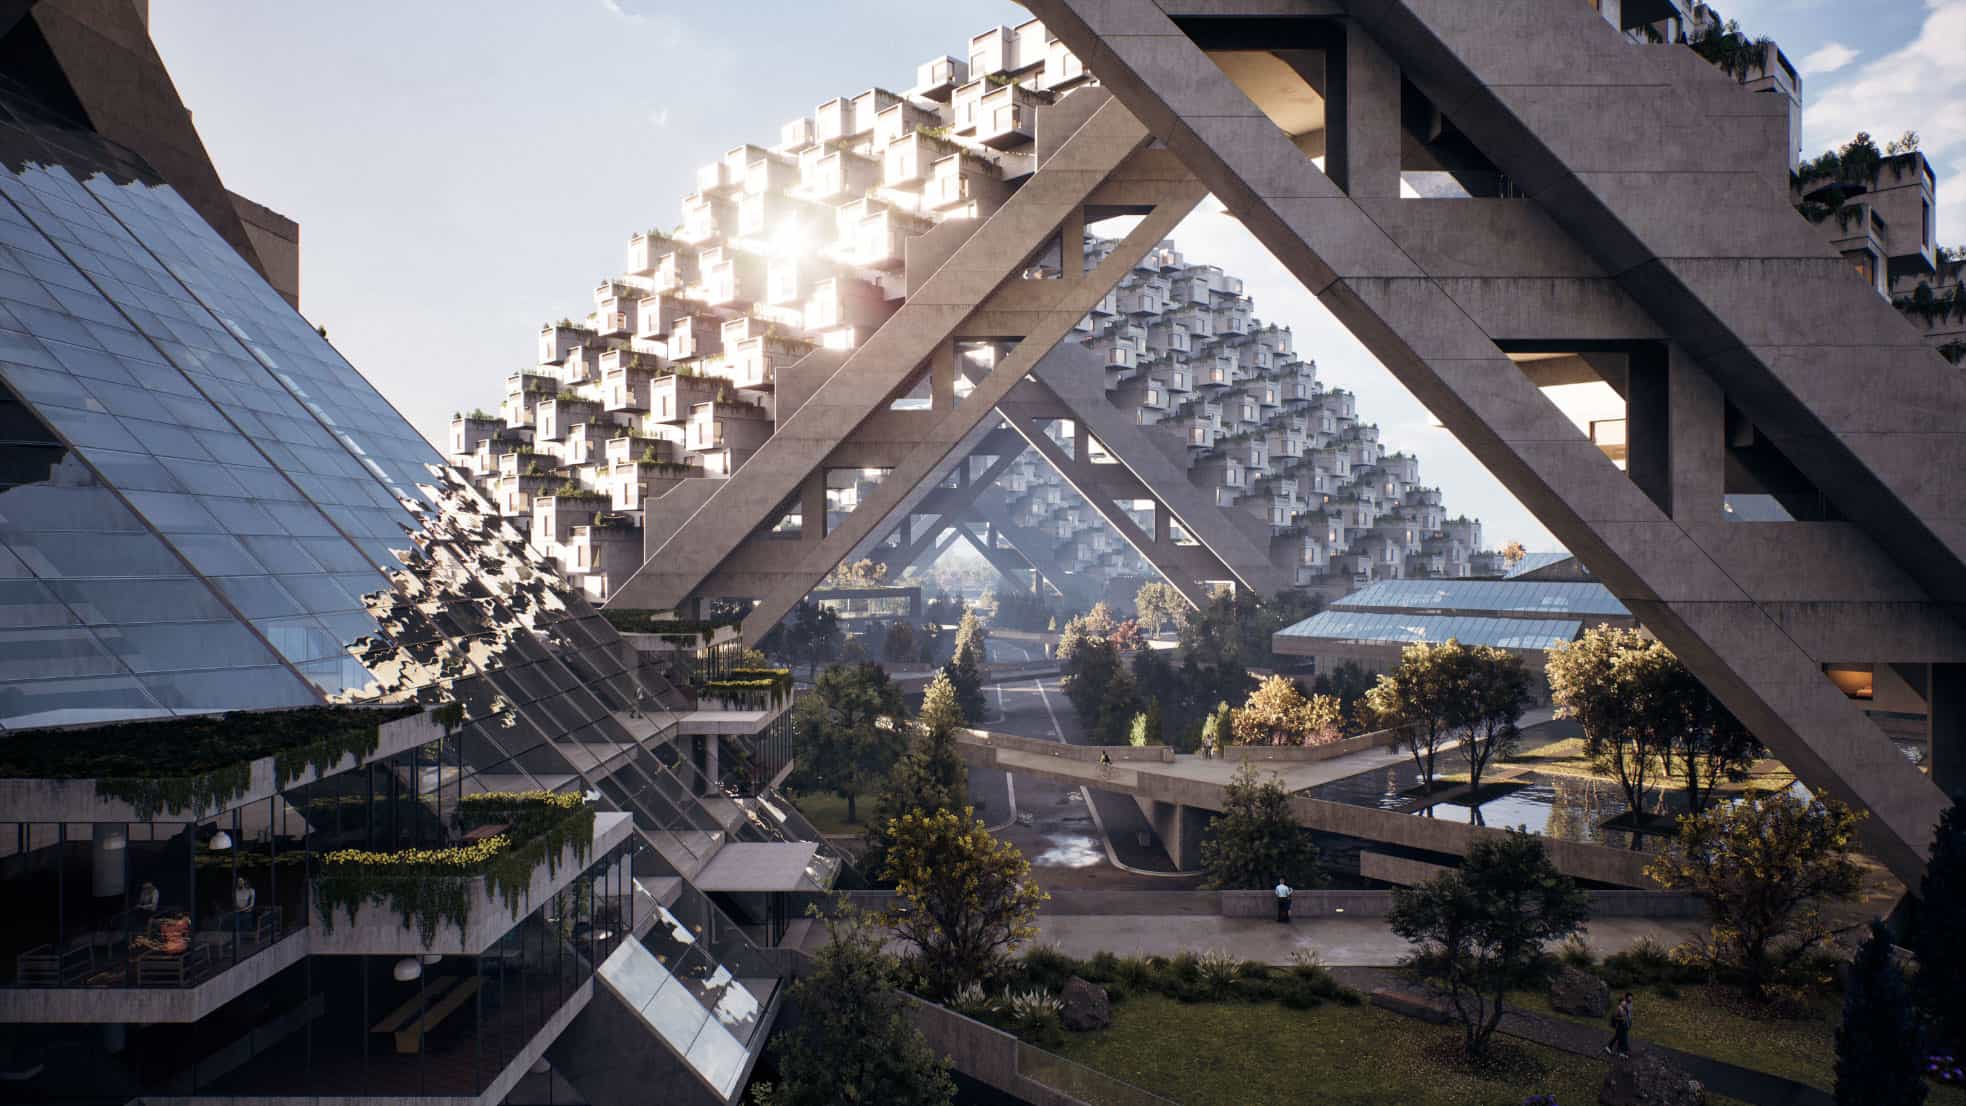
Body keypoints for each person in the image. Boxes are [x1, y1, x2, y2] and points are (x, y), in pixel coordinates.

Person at [1604, 992, 1633, 1057]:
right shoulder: (1619, 1009)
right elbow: (1615, 1017)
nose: (1625, 1003)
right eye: (1623, 1002)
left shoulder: (1624, 1008)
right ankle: (1621, 1052)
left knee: (1618, 1037)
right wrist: (1621, 1019)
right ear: (1621, 1002)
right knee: (1622, 1038)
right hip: (1621, 1026)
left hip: (1624, 1026)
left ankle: (1611, 1048)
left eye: (1625, 1002)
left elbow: (1628, 1016)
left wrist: (1628, 1023)